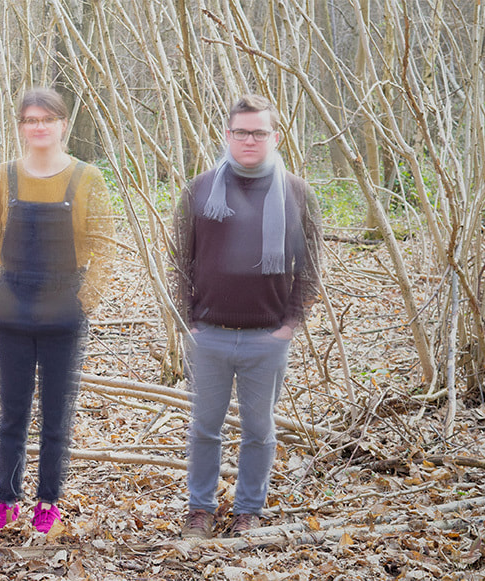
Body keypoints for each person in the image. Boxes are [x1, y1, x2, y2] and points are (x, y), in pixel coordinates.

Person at [172, 94, 322, 538]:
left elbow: (311, 267)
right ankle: (200, 511)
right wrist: (189, 321)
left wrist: (289, 325)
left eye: (259, 132)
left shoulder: (297, 192)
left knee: (259, 431)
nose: (250, 140)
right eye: (241, 132)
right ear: (228, 135)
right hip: (209, 334)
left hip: (266, 338)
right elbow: (179, 261)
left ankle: (248, 512)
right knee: (204, 429)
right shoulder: (199, 190)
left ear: (275, 137)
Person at [0, 88, 115, 534]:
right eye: (31, 120)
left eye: (47, 119)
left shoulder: (87, 178)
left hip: (64, 306)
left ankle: (48, 501)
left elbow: (105, 247)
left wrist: (83, 300)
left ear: (63, 124)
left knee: (56, 414)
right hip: (12, 305)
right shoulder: (3, 177)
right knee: (12, 412)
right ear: (21, 127)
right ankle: (6, 499)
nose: (39, 127)